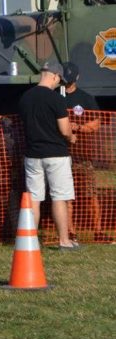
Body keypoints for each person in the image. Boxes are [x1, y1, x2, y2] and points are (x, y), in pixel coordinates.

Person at [18, 61, 78, 250]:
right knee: (59, 197)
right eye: (58, 79)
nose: (57, 83)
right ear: (54, 75)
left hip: (32, 155)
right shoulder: (56, 99)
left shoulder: (25, 98)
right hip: (56, 155)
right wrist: (72, 136)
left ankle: (31, 241)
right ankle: (64, 241)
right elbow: (64, 130)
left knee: (34, 199)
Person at [63, 62, 114, 243]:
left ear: (76, 78)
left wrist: (79, 127)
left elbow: (97, 123)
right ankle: (70, 232)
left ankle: (98, 232)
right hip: (62, 156)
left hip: (84, 156)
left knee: (91, 195)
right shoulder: (55, 97)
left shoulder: (86, 98)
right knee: (66, 197)